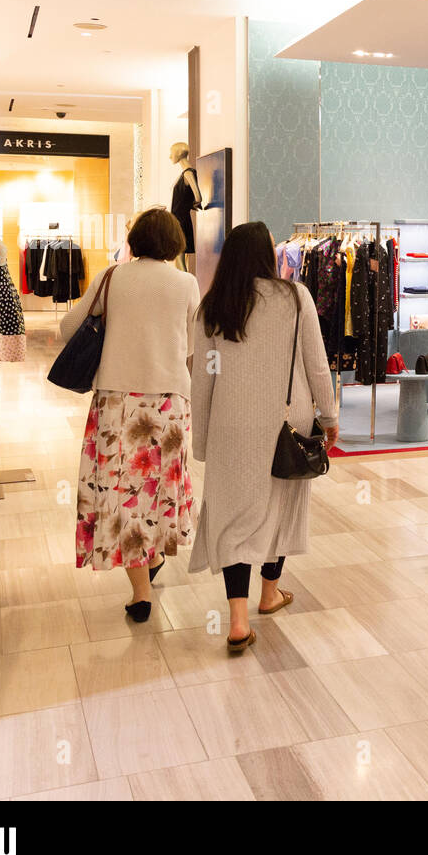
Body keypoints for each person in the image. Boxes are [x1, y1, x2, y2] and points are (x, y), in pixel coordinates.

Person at [188, 221, 338, 650]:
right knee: (280, 504)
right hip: (286, 425)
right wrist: (328, 416)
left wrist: (202, 440)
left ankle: (237, 621)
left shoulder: (212, 307)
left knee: (234, 518)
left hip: (229, 428)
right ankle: (269, 593)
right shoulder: (294, 298)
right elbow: (316, 364)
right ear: (264, 254)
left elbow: (203, 379)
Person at [63, 208, 201, 622]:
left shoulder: (113, 277)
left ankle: (141, 592)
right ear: (175, 243)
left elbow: (70, 327)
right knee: (159, 490)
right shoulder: (186, 283)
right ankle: (153, 554)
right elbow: (191, 345)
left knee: (120, 492)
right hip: (168, 403)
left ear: (135, 240)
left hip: (117, 403)